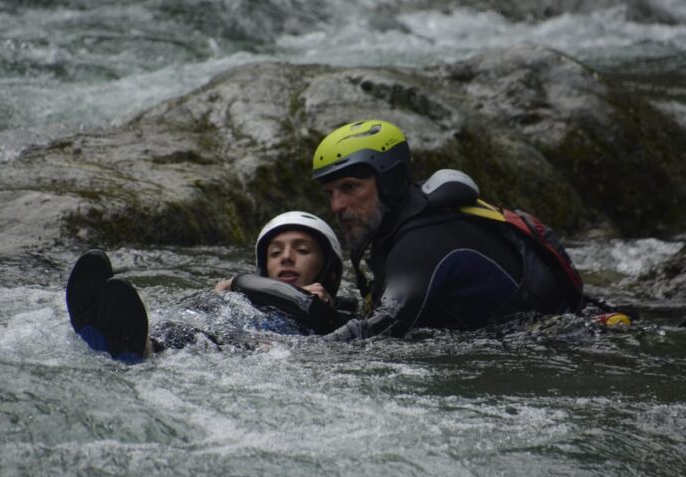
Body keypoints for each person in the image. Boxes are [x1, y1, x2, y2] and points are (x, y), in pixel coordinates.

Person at [311, 119, 585, 340]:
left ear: (390, 181)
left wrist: (297, 352)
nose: (337, 205)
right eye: (330, 193)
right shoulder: (395, 227)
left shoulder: (425, 240)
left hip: (560, 344)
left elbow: (384, 325)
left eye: (350, 187)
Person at [65, 211, 350, 362]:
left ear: (329, 270)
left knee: (193, 335)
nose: (286, 257)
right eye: (275, 253)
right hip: (219, 326)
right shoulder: (237, 295)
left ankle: (141, 347)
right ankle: (104, 329)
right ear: (264, 269)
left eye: (301, 250)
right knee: (181, 319)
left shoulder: (335, 317)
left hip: (254, 348)